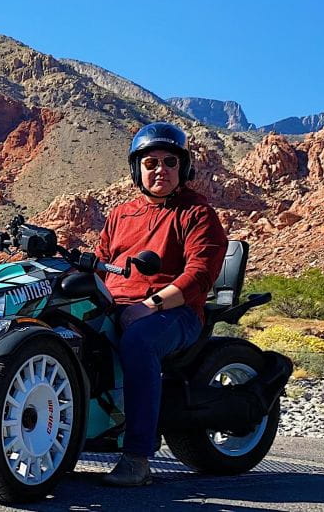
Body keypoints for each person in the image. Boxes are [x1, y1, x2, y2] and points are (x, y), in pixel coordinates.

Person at [95, 122, 227, 487]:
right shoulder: (121, 215)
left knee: (139, 340)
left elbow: (200, 275)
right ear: (136, 169)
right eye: (150, 162)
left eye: (170, 161)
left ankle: (137, 457)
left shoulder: (198, 214)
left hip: (175, 312)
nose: (160, 170)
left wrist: (149, 306)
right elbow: (99, 260)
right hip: (117, 305)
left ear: (183, 169)